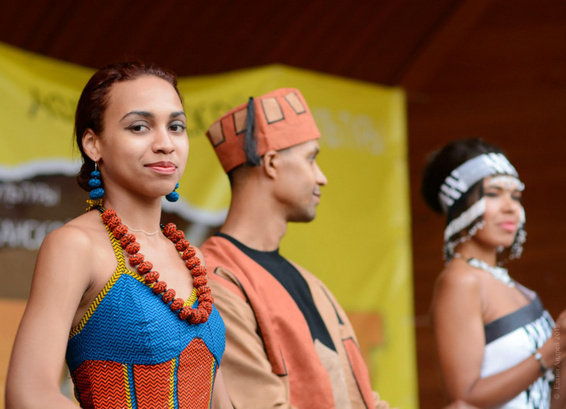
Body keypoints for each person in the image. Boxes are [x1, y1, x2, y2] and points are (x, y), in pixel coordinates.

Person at [5, 62, 231, 409]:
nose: (165, 144)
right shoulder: (75, 246)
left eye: (176, 127)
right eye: (139, 127)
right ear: (93, 144)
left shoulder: (192, 257)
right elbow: (28, 396)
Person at [200, 88, 392, 409]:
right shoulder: (214, 280)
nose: (322, 177)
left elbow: (363, 400)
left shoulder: (311, 283)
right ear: (272, 163)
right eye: (311, 159)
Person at [420, 138, 566, 408]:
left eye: (515, 196)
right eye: (493, 193)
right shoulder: (460, 281)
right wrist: (550, 351)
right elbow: (463, 398)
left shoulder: (514, 287)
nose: (510, 207)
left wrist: (562, 348)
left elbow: (549, 401)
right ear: (460, 205)